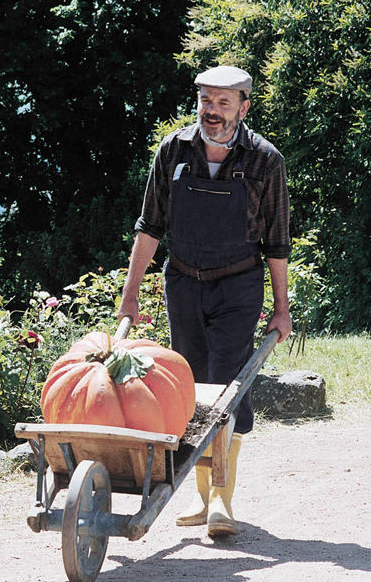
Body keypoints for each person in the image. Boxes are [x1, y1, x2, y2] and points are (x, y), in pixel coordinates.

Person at [117, 65, 292, 537]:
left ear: (243, 107)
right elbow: (150, 226)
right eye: (206, 101)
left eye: (223, 103)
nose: (211, 112)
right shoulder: (173, 151)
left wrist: (281, 307)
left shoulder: (264, 160)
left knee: (229, 386)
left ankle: (221, 500)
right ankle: (200, 498)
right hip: (184, 283)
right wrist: (130, 295)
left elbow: (277, 240)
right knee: (188, 387)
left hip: (238, 285)